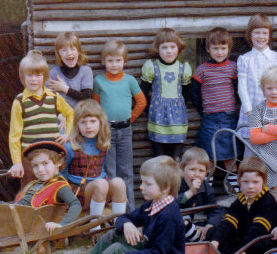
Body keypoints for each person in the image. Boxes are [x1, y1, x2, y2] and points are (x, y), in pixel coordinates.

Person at [50, 156, 185, 254]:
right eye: (142, 182)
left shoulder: (169, 217)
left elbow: (159, 253)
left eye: (147, 184)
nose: (141, 187)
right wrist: (127, 224)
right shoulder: (152, 205)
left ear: (166, 188)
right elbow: (123, 217)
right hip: (149, 248)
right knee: (110, 237)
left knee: (116, 250)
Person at [92, 38, 146, 212]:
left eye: (118, 60)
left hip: (125, 131)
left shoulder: (129, 80)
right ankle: (115, 215)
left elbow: (142, 102)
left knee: (126, 173)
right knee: (110, 173)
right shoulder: (99, 81)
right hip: (106, 131)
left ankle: (131, 213)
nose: (114, 64)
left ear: (125, 61)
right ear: (103, 61)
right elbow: (96, 107)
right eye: (110, 60)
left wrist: (131, 118)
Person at [8, 51, 74, 182]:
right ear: (23, 77)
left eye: (38, 75)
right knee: (29, 191)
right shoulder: (19, 102)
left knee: (53, 190)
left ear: (44, 77)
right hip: (29, 159)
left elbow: (70, 113)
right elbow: (14, 136)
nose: (34, 79)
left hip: (51, 158)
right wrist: (17, 162)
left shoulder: (53, 97)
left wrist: (67, 134)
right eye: (29, 75)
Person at [210, 156, 277, 254]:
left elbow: (258, 229)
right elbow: (229, 222)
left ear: (264, 182)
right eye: (245, 182)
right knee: (214, 232)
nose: (250, 187)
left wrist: (243, 250)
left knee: (262, 244)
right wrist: (215, 242)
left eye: (255, 182)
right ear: (239, 182)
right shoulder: (240, 201)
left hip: (259, 239)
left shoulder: (268, 201)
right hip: (243, 239)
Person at [63, 100, 127, 220]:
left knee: (119, 182)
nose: (88, 126)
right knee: (101, 184)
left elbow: (100, 170)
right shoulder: (70, 147)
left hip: (100, 190)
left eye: (93, 121)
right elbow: (61, 174)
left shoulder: (102, 145)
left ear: (101, 122)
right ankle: (95, 227)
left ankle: (119, 224)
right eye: (83, 122)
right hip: (77, 194)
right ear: (77, 125)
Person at [191, 27, 238, 186]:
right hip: (210, 119)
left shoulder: (232, 67)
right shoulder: (202, 70)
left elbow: (238, 89)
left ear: (229, 49)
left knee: (230, 157)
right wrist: (204, 110)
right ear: (208, 49)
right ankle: (206, 193)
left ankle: (235, 193)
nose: (219, 52)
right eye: (216, 48)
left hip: (228, 117)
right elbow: (195, 93)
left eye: (223, 48)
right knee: (208, 157)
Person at [140, 28, 192, 160]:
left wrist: (178, 106)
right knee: (159, 155)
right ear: (158, 49)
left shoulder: (182, 68)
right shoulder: (153, 67)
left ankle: (176, 176)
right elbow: (144, 91)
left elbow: (186, 92)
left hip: (177, 115)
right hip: (158, 113)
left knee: (177, 155)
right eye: (164, 47)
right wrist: (150, 108)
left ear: (178, 48)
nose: (169, 51)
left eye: (172, 47)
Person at [236, 13, 277, 139]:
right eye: (257, 33)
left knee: (273, 151)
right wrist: (250, 112)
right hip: (251, 113)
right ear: (250, 35)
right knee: (251, 152)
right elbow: (242, 88)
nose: (261, 37)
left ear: (269, 35)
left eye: (264, 33)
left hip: (274, 113)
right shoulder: (245, 59)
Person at [178, 147, 224, 241]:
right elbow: (173, 203)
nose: (197, 174)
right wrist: (190, 192)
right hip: (178, 224)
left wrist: (209, 225)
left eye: (201, 171)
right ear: (183, 170)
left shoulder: (206, 188)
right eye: (192, 169)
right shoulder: (177, 185)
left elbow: (215, 209)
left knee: (220, 228)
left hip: (195, 226)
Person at [48, 31, 93, 109]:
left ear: (78, 51)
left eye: (73, 49)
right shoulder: (53, 73)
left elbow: (86, 97)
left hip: (81, 117)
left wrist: (64, 88)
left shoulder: (86, 71)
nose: (69, 53)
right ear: (59, 54)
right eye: (64, 50)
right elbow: (49, 99)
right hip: (61, 118)